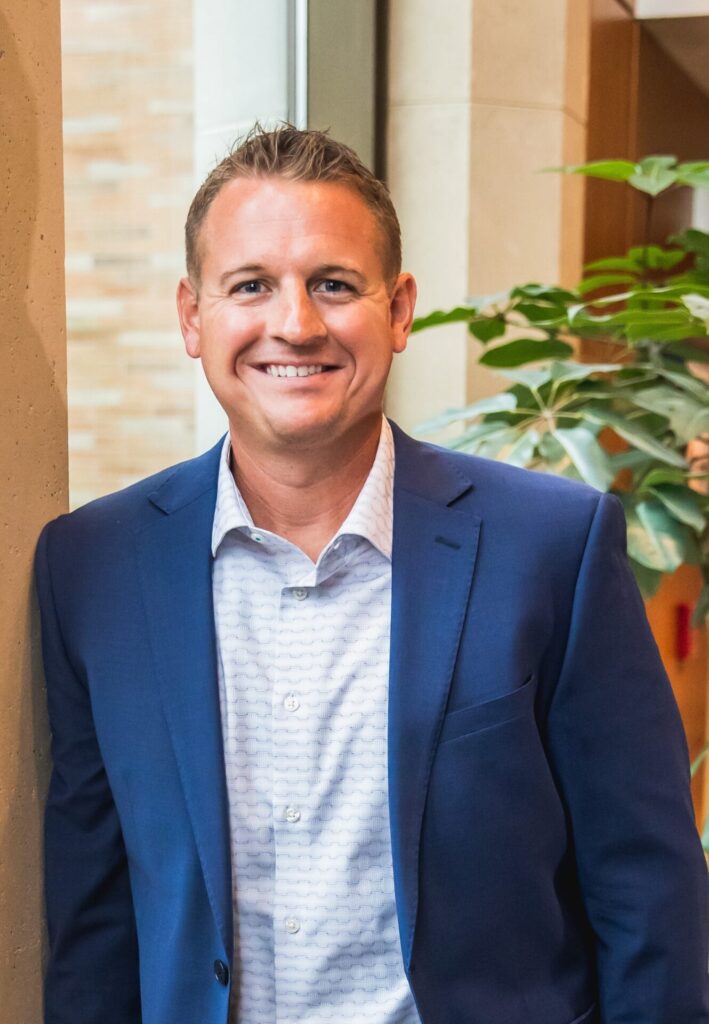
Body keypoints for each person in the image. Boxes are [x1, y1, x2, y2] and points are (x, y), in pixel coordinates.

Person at [36, 124, 708, 1024]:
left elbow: (647, 891)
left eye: (333, 285)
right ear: (193, 318)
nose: (295, 324)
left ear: (397, 311)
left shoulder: (552, 547)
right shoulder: (94, 566)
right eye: (251, 287)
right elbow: (94, 918)